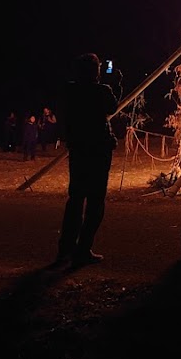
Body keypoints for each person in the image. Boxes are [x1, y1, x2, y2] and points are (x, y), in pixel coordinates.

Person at [52, 53, 119, 267]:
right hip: (98, 151)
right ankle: (83, 249)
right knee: (95, 202)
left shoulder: (69, 91)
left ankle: (65, 250)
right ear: (95, 71)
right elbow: (112, 107)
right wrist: (116, 84)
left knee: (75, 199)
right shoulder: (102, 91)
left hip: (79, 150)